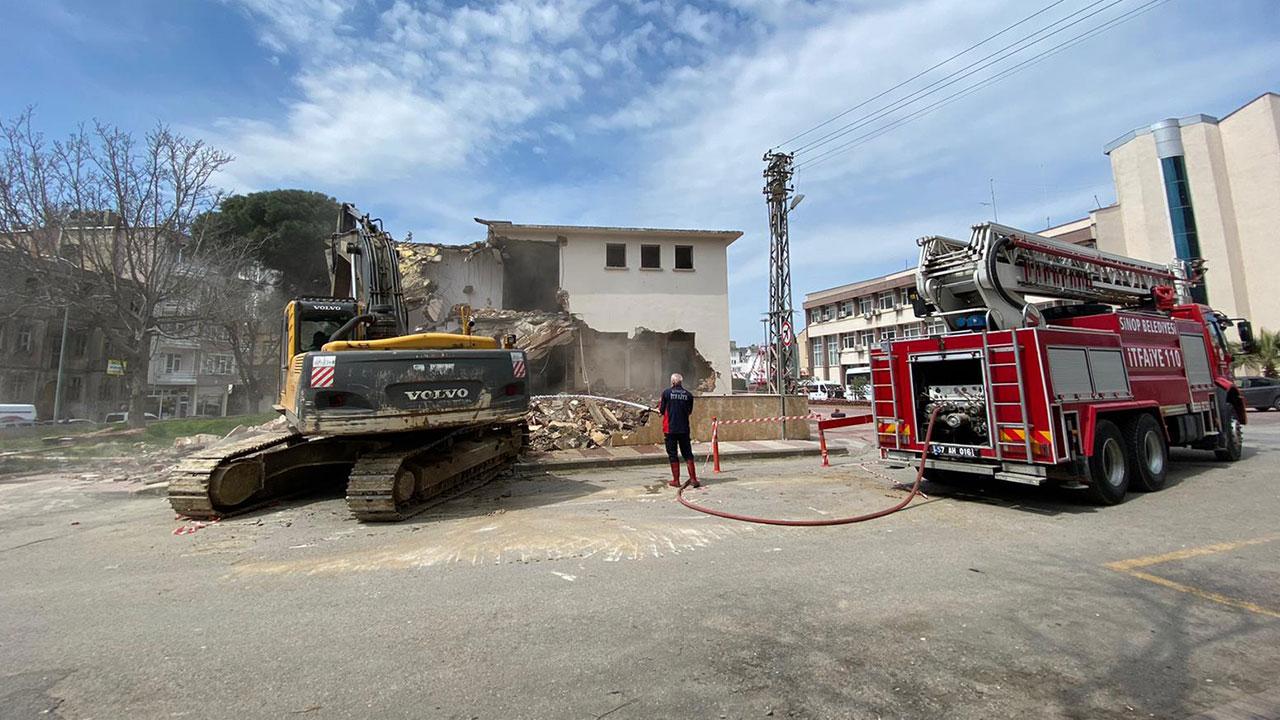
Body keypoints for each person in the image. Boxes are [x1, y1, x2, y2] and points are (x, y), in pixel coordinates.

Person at [658, 373, 699, 488]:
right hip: (684, 429)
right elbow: (689, 411)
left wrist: (661, 411)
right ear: (681, 382)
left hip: (670, 430)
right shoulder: (689, 395)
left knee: (673, 454)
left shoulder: (666, 393)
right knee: (688, 454)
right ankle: (693, 479)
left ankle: (676, 480)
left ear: (672, 382)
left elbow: (661, 411)